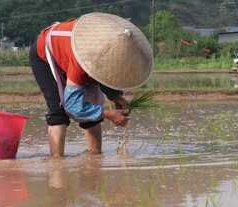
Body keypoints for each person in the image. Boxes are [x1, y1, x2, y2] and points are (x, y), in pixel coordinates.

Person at [30, 13, 153, 157]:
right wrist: (108, 114)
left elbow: (106, 73)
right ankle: (57, 164)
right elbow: (73, 106)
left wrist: (116, 97)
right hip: (46, 52)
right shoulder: (83, 59)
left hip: (74, 52)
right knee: (59, 112)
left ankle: (95, 158)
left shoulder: (107, 47)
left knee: (92, 107)